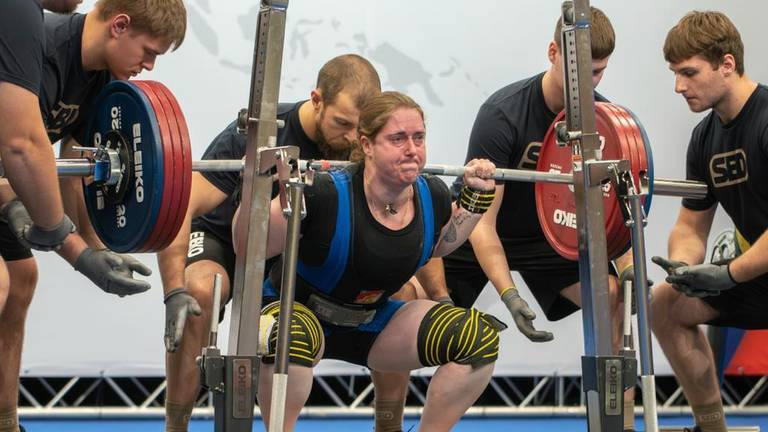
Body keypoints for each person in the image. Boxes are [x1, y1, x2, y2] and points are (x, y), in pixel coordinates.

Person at [156, 54, 422, 432]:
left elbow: (408, 215)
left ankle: (389, 426)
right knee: (199, 291)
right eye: (341, 124)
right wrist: (172, 288)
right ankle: (175, 426)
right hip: (226, 241)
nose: (351, 138)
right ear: (316, 100)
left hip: (293, 254)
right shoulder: (258, 133)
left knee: (404, 294)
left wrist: (437, 289)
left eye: (360, 129)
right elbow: (182, 205)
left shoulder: (368, 146)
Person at [418, 7, 638, 429]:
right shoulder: (502, 114)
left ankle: (618, 422)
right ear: (553, 52)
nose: (587, 85)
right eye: (580, 71)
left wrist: (629, 273)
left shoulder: (604, 125)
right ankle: (388, 423)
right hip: (482, 231)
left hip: (549, 240)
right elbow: (484, 223)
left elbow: (615, 218)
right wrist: (509, 294)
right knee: (410, 302)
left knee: (614, 297)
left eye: (597, 73)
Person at [230, 91, 501, 432]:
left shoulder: (432, 195)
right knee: (291, 337)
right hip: (297, 313)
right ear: (367, 145)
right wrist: (252, 187)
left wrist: (475, 199)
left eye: (418, 138)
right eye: (397, 139)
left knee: (477, 339)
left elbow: (441, 245)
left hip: (373, 324)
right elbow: (246, 245)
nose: (412, 149)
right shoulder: (324, 194)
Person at [0, 2, 187, 431]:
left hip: (8, 178)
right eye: (149, 51)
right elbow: (18, 148)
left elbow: (78, 165)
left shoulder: (101, 77)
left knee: (23, 280)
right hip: (7, 172)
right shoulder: (38, 46)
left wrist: (96, 248)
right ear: (120, 26)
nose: (150, 65)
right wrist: (75, 253)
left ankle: (7, 422)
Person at [650, 11, 768, 432]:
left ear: (728, 64)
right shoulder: (705, 138)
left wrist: (730, 274)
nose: (679, 86)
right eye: (675, 73)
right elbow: (690, 226)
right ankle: (712, 428)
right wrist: (685, 266)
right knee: (664, 303)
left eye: (689, 72)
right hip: (755, 276)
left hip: (749, 270)